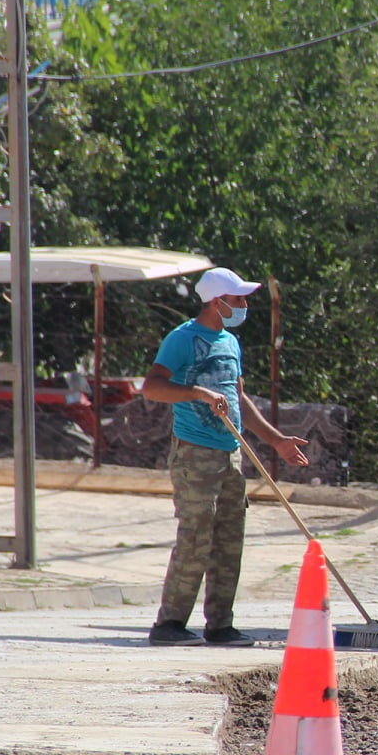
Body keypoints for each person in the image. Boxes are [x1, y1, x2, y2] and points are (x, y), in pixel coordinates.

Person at [142, 266, 309, 646]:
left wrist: (277, 441)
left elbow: (238, 398)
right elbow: (151, 387)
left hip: (231, 455)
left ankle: (220, 625)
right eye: (238, 299)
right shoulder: (182, 339)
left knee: (229, 540)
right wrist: (197, 393)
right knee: (196, 538)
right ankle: (169, 624)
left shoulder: (229, 342)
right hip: (194, 454)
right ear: (217, 302)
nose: (244, 306)